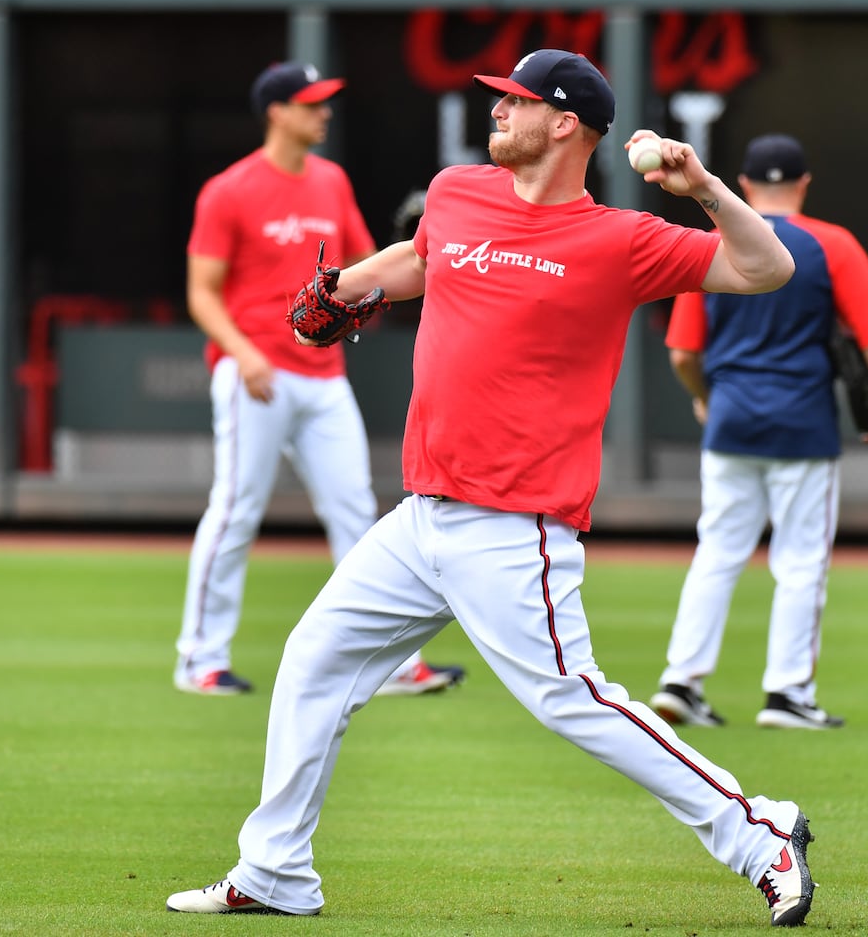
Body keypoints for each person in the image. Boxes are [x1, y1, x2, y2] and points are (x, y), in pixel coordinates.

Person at [167, 50, 817, 928]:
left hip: (516, 528)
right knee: (313, 662)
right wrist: (353, 284)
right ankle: (276, 867)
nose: (498, 111)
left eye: (516, 100)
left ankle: (758, 831)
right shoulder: (456, 191)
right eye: (499, 98)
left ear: (566, 124)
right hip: (421, 515)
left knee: (573, 701)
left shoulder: (621, 239)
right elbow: (422, 257)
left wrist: (702, 186)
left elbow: (765, 269)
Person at [174, 61, 463, 698]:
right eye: (310, 104)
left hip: (323, 372)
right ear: (276, 112)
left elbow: (366, 267)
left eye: (324, 102)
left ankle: (385, 663)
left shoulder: (331, 182)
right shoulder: (229, 190)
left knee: (357, 512)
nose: (323, 113)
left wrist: (410, 243)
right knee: (236, 511)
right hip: (257, 372)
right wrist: (241, 353)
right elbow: (202, 293)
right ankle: (200, 660)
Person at [649, 133, 868, 732]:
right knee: (800, 563)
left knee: (716, 553)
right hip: (803, 424)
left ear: (742, 184)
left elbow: (684, 354)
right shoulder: (833, 244)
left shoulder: (719, 239)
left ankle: (681, 681)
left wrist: (707, 400)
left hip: (732, 419)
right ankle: (788, 695)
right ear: (804, 183)